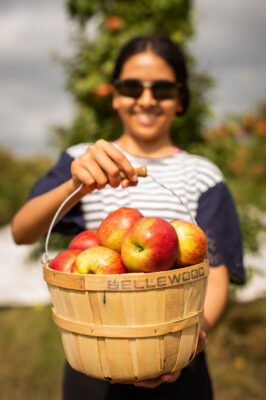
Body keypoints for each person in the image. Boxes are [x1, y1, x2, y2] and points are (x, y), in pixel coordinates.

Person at [12, 35, 245, 400]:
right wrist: (77, 182)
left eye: (163, 89)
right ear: (116, 96)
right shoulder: (85, 159)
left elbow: (213, 270)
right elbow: (22, 231)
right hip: (96, 357)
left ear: (180, 99)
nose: (147, 99)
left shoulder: (203, 174)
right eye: (132, 87)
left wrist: (192, 336)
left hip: (180, 358)